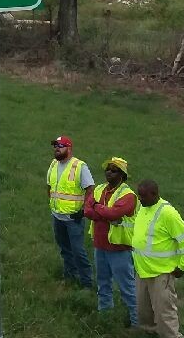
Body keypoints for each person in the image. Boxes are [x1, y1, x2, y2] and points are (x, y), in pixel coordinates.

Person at [132, 180, 184, 338]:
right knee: (144, 312)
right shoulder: (142, 207)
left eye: (143, 196)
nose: (139, 199)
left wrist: (183, 266)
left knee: (164, 314)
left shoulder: (167, 213)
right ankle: (151, 333)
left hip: (161, 274)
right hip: (142, 271)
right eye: (138, 195)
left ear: (154, 194)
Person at [84, 157, 138, 327]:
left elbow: (115, 214)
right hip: (100, 246)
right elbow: (86, 210)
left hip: (119, 248)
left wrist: (97, 208)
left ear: (122, 175)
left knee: (128, 288)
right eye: (107, 169)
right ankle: (105, 316)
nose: (108, 172)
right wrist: (104, 212)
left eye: (113, 170)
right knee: (103, 284)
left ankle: (137, 322)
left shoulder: (128, 195)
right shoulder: (99, 189)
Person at [45, 135, 94, 288]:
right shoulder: (53, 164)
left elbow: (90, 189)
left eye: (60, 146)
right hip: (57, 216)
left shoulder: (79, 166)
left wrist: (84, 210)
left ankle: (87, 282)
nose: (57, 149)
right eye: (55, 146)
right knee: (64, 249)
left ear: (69, 148)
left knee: (78, 252)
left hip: (73, 219)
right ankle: (70, 276)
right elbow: (49, 186)